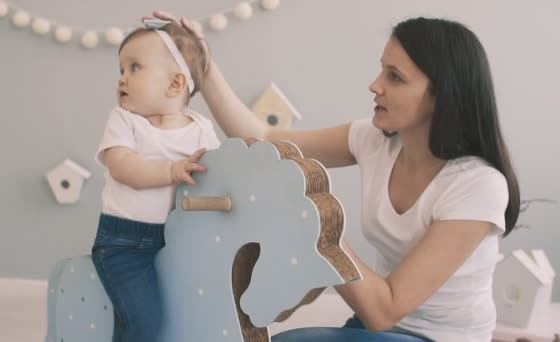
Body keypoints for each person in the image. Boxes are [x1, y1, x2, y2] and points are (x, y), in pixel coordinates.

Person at [149, 11, 520, 342]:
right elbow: (263, 141)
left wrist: (315, 225)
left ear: (442, 95)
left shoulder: (478, 186)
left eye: (394, 77)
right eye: (381, 69)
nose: (375, 85)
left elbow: (384, 310)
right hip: (376, 327)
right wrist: (204, 65)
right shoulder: (374, 140)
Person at [90, 18, 220, 342]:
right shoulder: (125, 121)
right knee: (143, 322)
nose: (122, 78)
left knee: (193, 312)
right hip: (125, 244)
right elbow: (122, 166)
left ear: (175, 84)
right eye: (121, 69)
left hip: (181, 242)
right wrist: (171, 171)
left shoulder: (201, 129)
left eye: (134, 68)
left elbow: (218, 175)